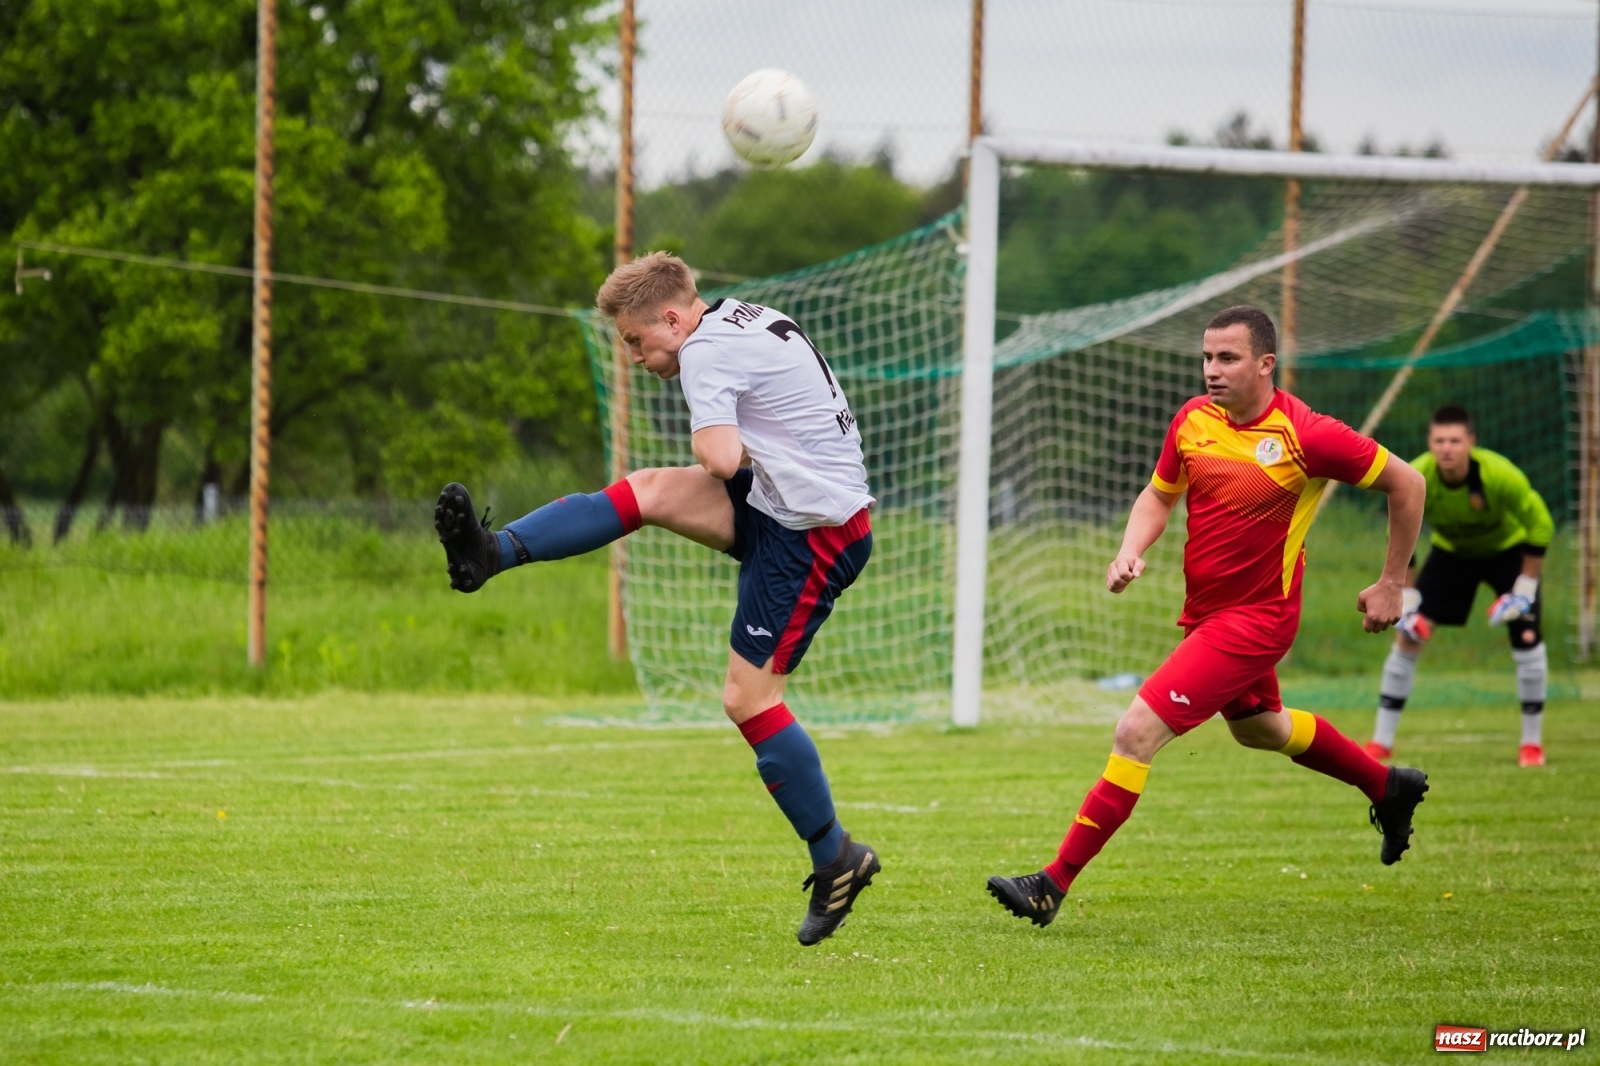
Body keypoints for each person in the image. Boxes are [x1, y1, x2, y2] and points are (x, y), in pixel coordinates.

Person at [433, 252, 880, 946]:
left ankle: (838, 860)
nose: (634, 357)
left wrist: (724, 439)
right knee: (646, 490)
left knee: (748, 701)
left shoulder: (704, 353)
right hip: (787, 505)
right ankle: (494, 553)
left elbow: (722, 460)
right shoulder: (735, 319)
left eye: (636, 341)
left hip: (814, 533)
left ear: (673, 318)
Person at [986, 305, 1430, 929]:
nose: (1211, 371)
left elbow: (1408, 484)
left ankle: (1051, 884)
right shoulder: (1193, 421)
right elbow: (1159, 494)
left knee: (1134, 733)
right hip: (1207, 615)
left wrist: (1392, 583)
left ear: (1265, 364)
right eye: (1206, 357)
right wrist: (1129, 550)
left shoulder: (1308, 435)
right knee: (1262, 729)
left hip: (1256, 621)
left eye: (1227, 358)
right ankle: (1387, 786)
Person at [1364, 405, 1555, 768]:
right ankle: (1380, 742)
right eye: (1439, 440)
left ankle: (1532, 744)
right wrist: (1408, 594)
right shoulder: (1417, 476)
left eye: (1455, 440)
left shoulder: (1500, 474)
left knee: (1527, 638)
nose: (1447, 448)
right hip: (1451, 555)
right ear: (1430, 443)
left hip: (1507, 554)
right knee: (1409, 635)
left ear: (1471, 443)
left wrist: (1525, 587)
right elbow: (1400, 532)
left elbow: (1541, 524)